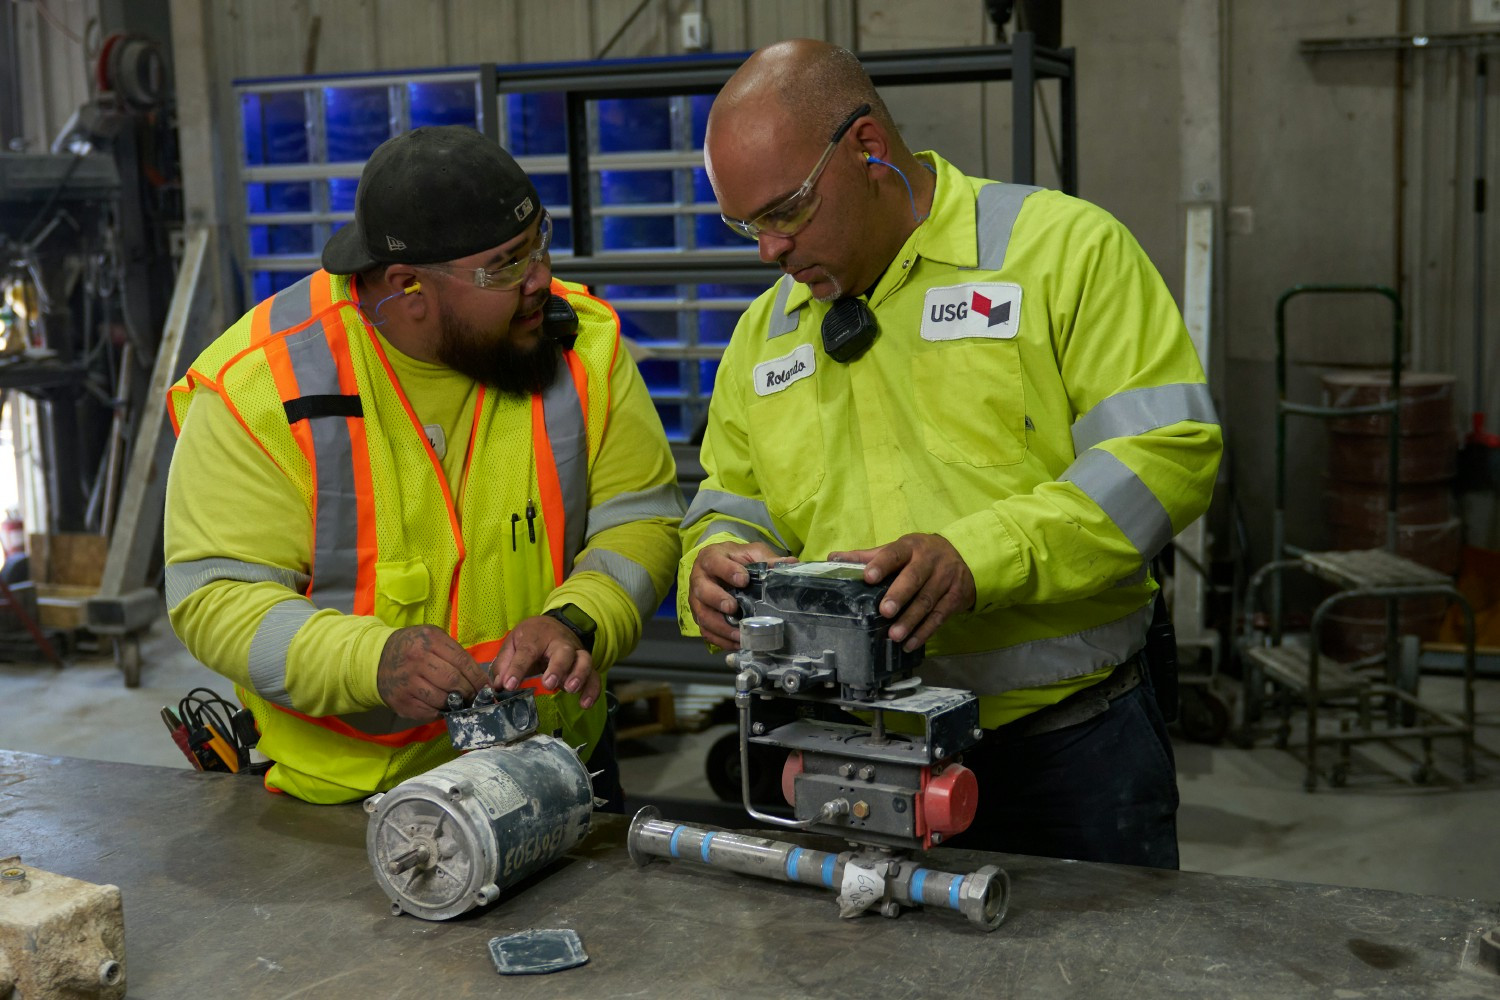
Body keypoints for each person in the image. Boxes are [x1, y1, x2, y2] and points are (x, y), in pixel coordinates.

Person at [680, 40, 1222, 868]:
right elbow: (733, 494)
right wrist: (715, 557)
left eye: (785, 211)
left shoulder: (1062, 253)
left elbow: (1164, 453)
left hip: (1066, 752)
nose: (769, 251)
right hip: (856, 752)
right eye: (746, 224)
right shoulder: (767, 333)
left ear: (866, 148)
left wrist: (978, 558)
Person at [164, 125, 683, 805]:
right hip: (345, 804)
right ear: (408, 285)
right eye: (503, 265)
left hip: (556, 770)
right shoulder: (260, 385)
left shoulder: (582, 346)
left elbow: (640, 519)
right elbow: (214, 593)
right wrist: (371, 662)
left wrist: (579, 618)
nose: (540, 280)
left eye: (538, 246)